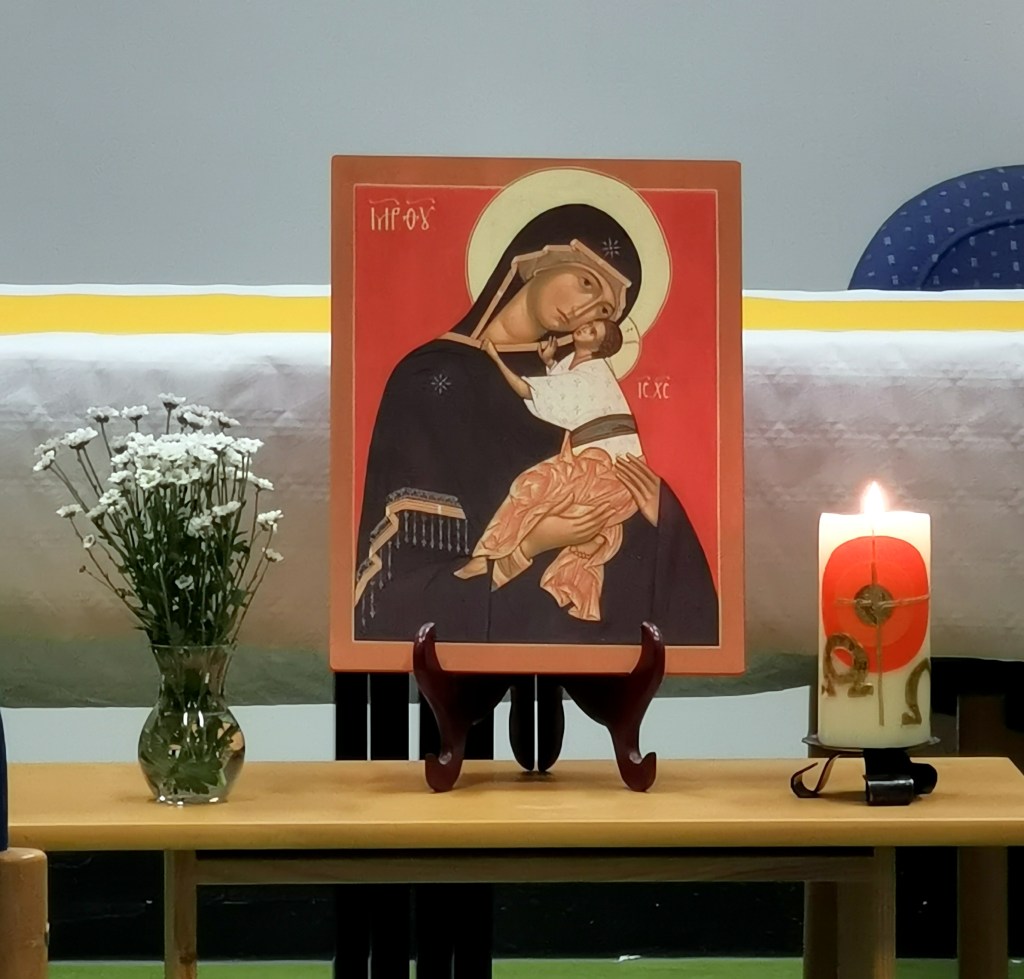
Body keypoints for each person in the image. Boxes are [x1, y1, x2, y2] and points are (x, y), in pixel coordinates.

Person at [353, 202, 718, 649]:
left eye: (604, 310)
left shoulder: (567, 390)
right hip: (481, 617)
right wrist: (529, 547)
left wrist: (662, 514)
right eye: (586, 282)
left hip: (569, 625)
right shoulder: (431, 377)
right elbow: (392, 587)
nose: (585, 309)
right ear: (538, 259)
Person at [454, 320, 643, 623]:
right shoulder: (576, 365)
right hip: (593, 464)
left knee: (531, 486)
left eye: (593, 332)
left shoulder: (592, 374)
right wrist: (550, 362)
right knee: (539, 496)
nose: (585, 328)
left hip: (606, 470)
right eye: (590, 324)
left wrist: (494, 356)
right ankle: (491, 559)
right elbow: (561, 395)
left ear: (599, 347)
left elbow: (529, 391)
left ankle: (487, 556)